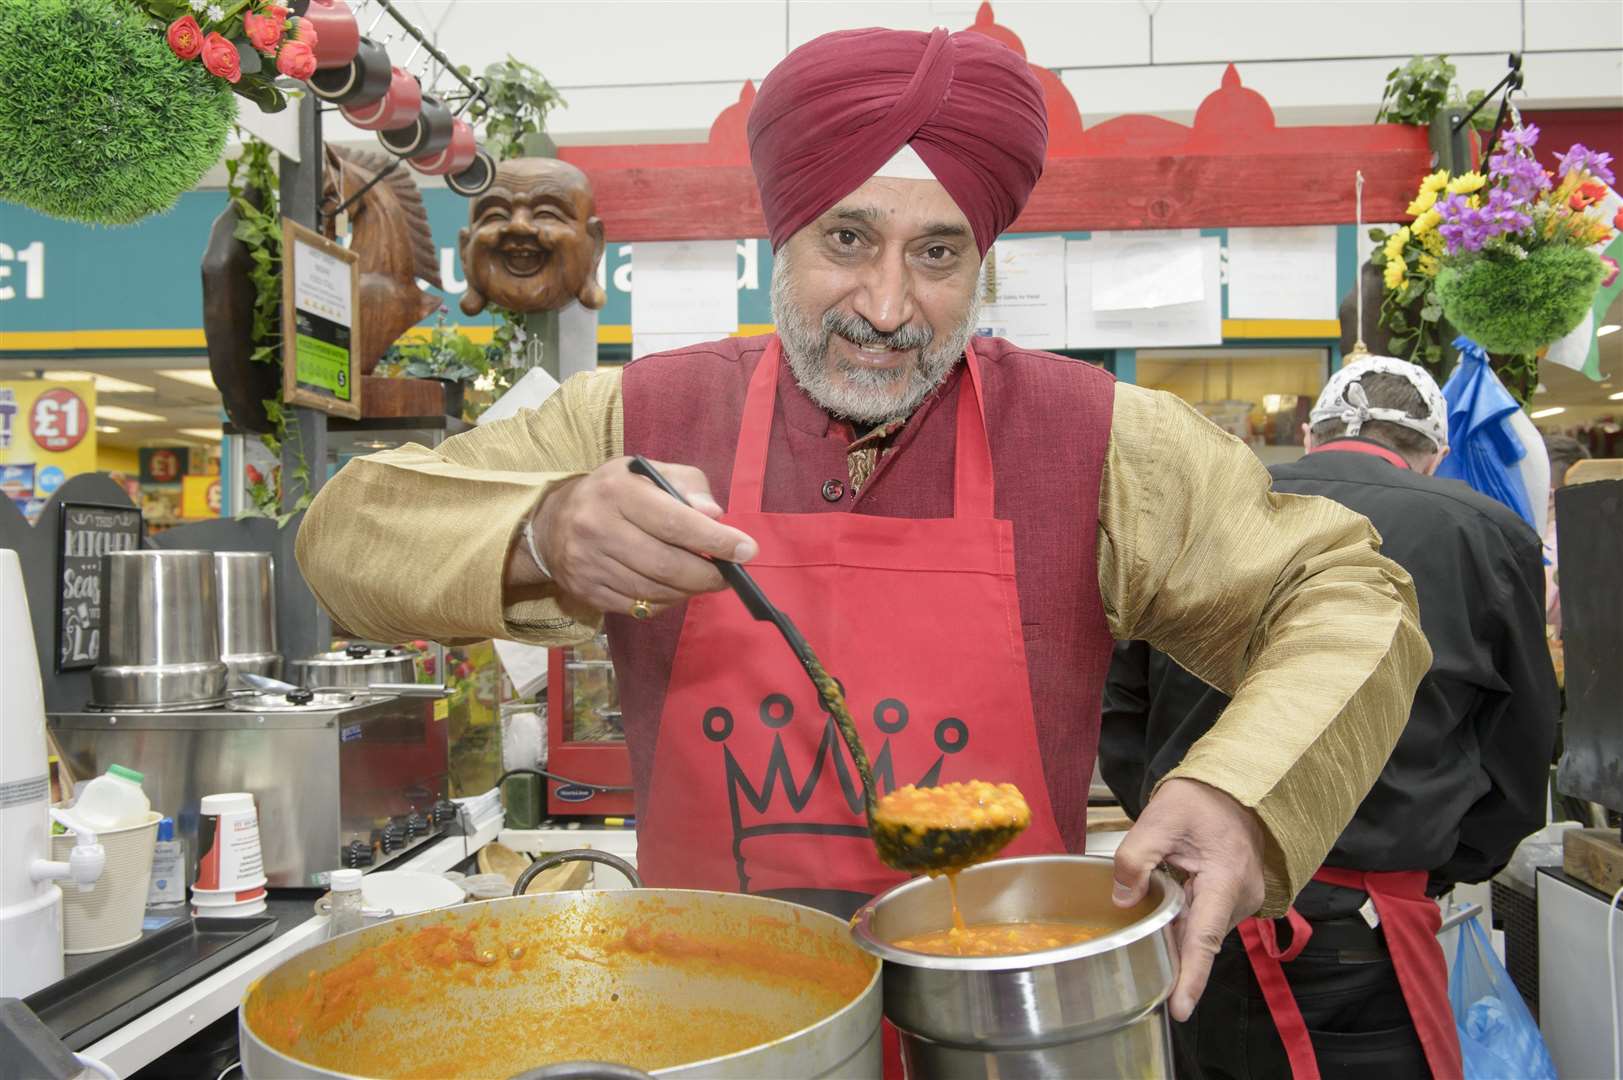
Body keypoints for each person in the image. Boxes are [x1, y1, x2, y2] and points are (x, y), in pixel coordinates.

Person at [297, 26, 1431, 1023]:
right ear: (779, 236)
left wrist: (1236, 791)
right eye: (848, 240)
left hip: (1005, 1036)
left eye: (937, 254)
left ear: (982, 262)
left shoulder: (1101, 443)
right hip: (711, 1033)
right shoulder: (632, 418)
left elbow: (1344, 591)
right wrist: (543, 530)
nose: (888, 308)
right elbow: (346, 539)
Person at [1100, 356, 1558, 1078]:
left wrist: (1180, 829)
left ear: (1312, 435)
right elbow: (1521, 748)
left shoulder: (1213, 512)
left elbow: (1121, 706)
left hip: (1192, 907)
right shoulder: (1488, 534)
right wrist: (1440, 869)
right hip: (1365, 924)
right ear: (1434, 455)